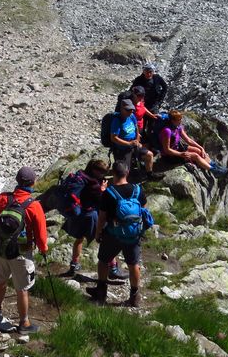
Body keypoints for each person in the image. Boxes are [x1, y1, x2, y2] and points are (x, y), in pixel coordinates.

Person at [0, 166, 48, 334]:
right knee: (22, 288)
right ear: (33, 182)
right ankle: (24, 323)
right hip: (21, 252)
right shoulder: (34, 205)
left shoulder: (2, 198)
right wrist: (43, 249)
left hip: (0, 249)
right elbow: (41, 235)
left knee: (1, 280)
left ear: (17, 181)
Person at [91, 160, 147, 307]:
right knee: (133, 264)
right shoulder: (138, 190)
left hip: (113, 234)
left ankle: (101, 292)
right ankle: (134, 297)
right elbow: (144, 210)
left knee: (103, 260)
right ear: (127, 172)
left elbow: (102, 217)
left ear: (113, 174)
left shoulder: (109, 193)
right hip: (133, 234)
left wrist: (98, 234)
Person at [59, 159, 124, 280]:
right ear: (95, 170)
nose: (103, 175)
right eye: (102, 172)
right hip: (91, 215)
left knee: (79, 239)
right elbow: (101, 200)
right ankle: (113, 268)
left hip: (78, 214)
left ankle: (74, 264)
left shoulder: (82, 176)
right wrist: (103, 190)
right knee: (105, 239)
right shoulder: (94, 184)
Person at [157, 111, 228, 177]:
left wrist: (201, 148)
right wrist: (181, 154)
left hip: (177, 148)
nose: (181, 121)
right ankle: (214, 171)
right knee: (195, 156)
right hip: (170, 156)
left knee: (198, 151)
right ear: (173, 121)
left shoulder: (178, 127)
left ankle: (213, 165)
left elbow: (188, 140)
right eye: (179, 119)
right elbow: (167, 150)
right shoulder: (167, 131)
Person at [111, 99, 162, 181]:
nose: (130, 111)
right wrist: (128, 143)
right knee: (124, 171)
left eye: (132, 109)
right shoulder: (117, 121)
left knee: (149, 155)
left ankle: (150, 174)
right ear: (121, 109)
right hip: (123, 149)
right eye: (128, 110)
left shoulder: (131, 116)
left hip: (133, 144)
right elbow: (114, 138)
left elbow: (136, 128)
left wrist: (137, 139)